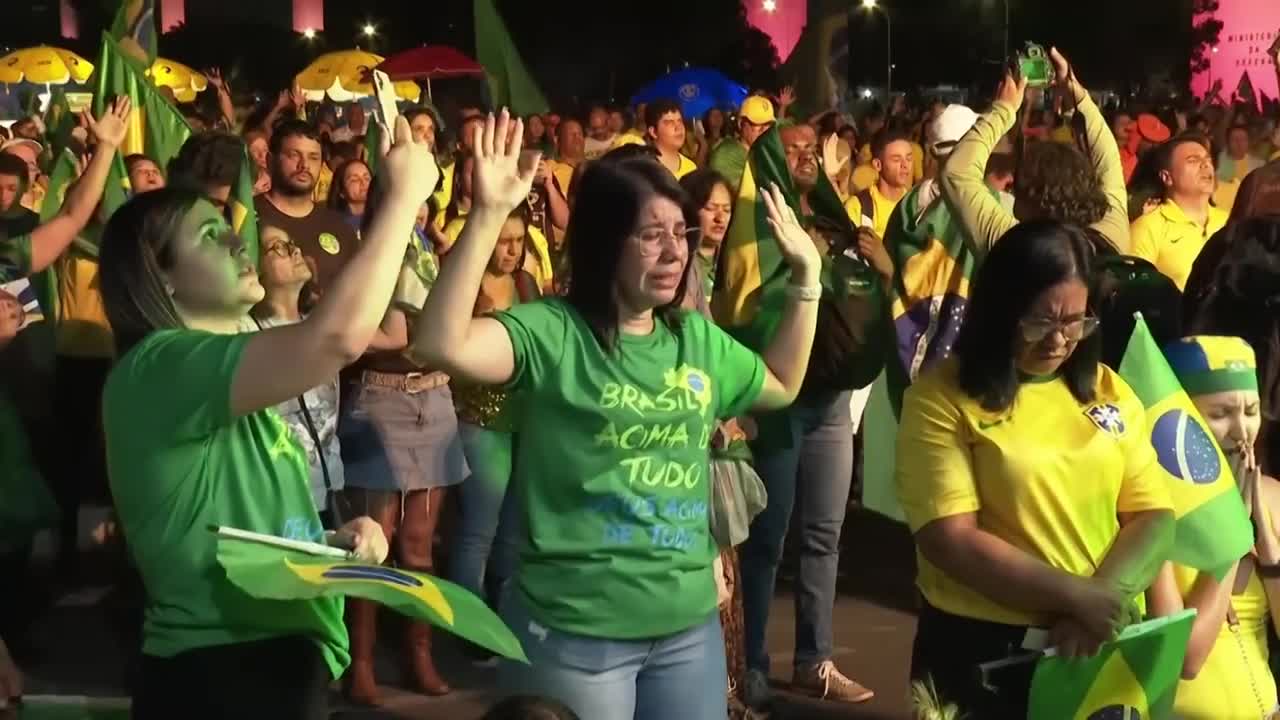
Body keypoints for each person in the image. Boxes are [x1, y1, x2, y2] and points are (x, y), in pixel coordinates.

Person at [412, 110, 821, 720]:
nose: (673, 251)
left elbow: (783, 382)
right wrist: (489, 214)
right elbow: (441, 344)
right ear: (605, 241)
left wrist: (807, 282)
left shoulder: (696, 341)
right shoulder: (552, 333)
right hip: (574, 633)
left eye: (681, 233)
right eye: (651, 234)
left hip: (687, 630)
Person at [94, 116, 436, 718]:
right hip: (218, 673)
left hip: (276, 658)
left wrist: (328, 544)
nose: (235, 241)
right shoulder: (158, 368)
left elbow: (232, 531)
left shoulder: (228, 377)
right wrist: (404, 198)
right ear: (162, 279)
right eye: (208, 236)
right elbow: (339, 339)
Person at [895, 220, 1175, 716]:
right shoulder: (941, 398)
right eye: (1041, 322)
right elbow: (949, 538)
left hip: (1088, 645)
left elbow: (1153, 514)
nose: (1059, 340)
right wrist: (1076, 597)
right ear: (1001, 311)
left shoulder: (1108, 389)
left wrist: (1097, 602)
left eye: (1076, 321)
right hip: (983, 653)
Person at [1147, 336, 1280, 720]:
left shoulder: (1270, 497)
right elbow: (1185, 658)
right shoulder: (1148, 509)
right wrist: (1232, 535)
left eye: (1251, 411)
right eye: (1221, 413)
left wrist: (1268, 548)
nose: (1242, 431)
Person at [939, 49, 1129, 254]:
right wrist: (1073, 90)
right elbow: (1107, 154)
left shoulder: (1014, 248)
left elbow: (957, 171)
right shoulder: (1112, 231)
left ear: (1026, 200)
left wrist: (1003, 109)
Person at [449, 210, 540, 631]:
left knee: (514, 532)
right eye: (503, 240)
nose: (511, 249)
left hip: (522, 423)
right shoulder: (465, 289)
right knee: (478, 533)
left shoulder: (526, 286)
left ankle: (504, 622)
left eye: (519, 240)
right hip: (478, 422)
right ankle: (472, 627)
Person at [251, 224, 344, 514]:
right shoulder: (247, 333)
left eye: (292, 242)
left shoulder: (318, 323)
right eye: (277, 247)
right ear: (254, 267)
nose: (294, 250)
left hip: (331, 487)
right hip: (280, 500)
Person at [255, 120, 360, 295]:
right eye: (293, 155)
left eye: (313, 157)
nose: (304, 165)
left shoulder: (340, 227)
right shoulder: (246, 216)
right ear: (270, 161)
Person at [1130, 134, 1228, 290]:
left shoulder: (1229, 222)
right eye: (1193, 160)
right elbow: (1135, 294)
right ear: (1167, 177)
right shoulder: (1148, 228)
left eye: (1208, 160)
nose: (1206, 165)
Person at [844, 127, 915, 241]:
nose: (905, 165)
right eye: (896, 160)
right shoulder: (858, 207)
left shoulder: (916, 205)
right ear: (877, 165)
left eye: (909, 158)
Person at [679, 169, 732, 304]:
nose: (720, 218)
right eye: (710, 208)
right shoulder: (678, 263)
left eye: (726, 210)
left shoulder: (733, 260)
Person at [709, 96, 775, 191]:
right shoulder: (725, 155)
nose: (764, 130)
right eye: (758, 123)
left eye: (768, 124)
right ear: (741, 123)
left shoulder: (768, 154)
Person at [645, 100, 698, 179]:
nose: (678, 127)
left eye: (680, 121)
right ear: (653, 132)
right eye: (669, 122)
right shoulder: (643, 168)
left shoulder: (691, 168)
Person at [327, 158, 372, 231]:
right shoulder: (334, 224)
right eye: (354, 179)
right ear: (341, 191)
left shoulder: (384, 216)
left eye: (367, 178)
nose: (363, 182)